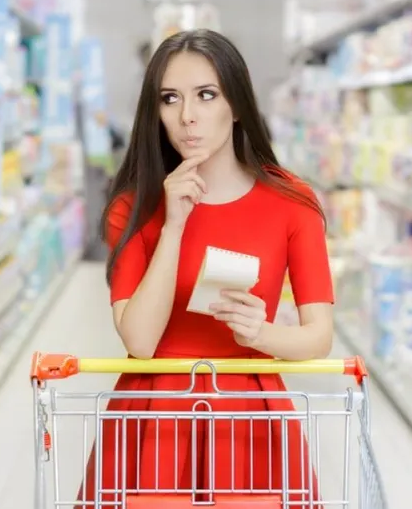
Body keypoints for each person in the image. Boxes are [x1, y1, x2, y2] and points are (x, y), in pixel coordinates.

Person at [80, 29, 334, 505]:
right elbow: (138, 339)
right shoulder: (133, 208)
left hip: (251, 413)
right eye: (170, 98)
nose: (187, 116)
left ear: (236, 105)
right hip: (153, 412)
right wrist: (173, 225)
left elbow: (318, 336)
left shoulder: (292, 203)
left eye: (206, 95)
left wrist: (262, 334)